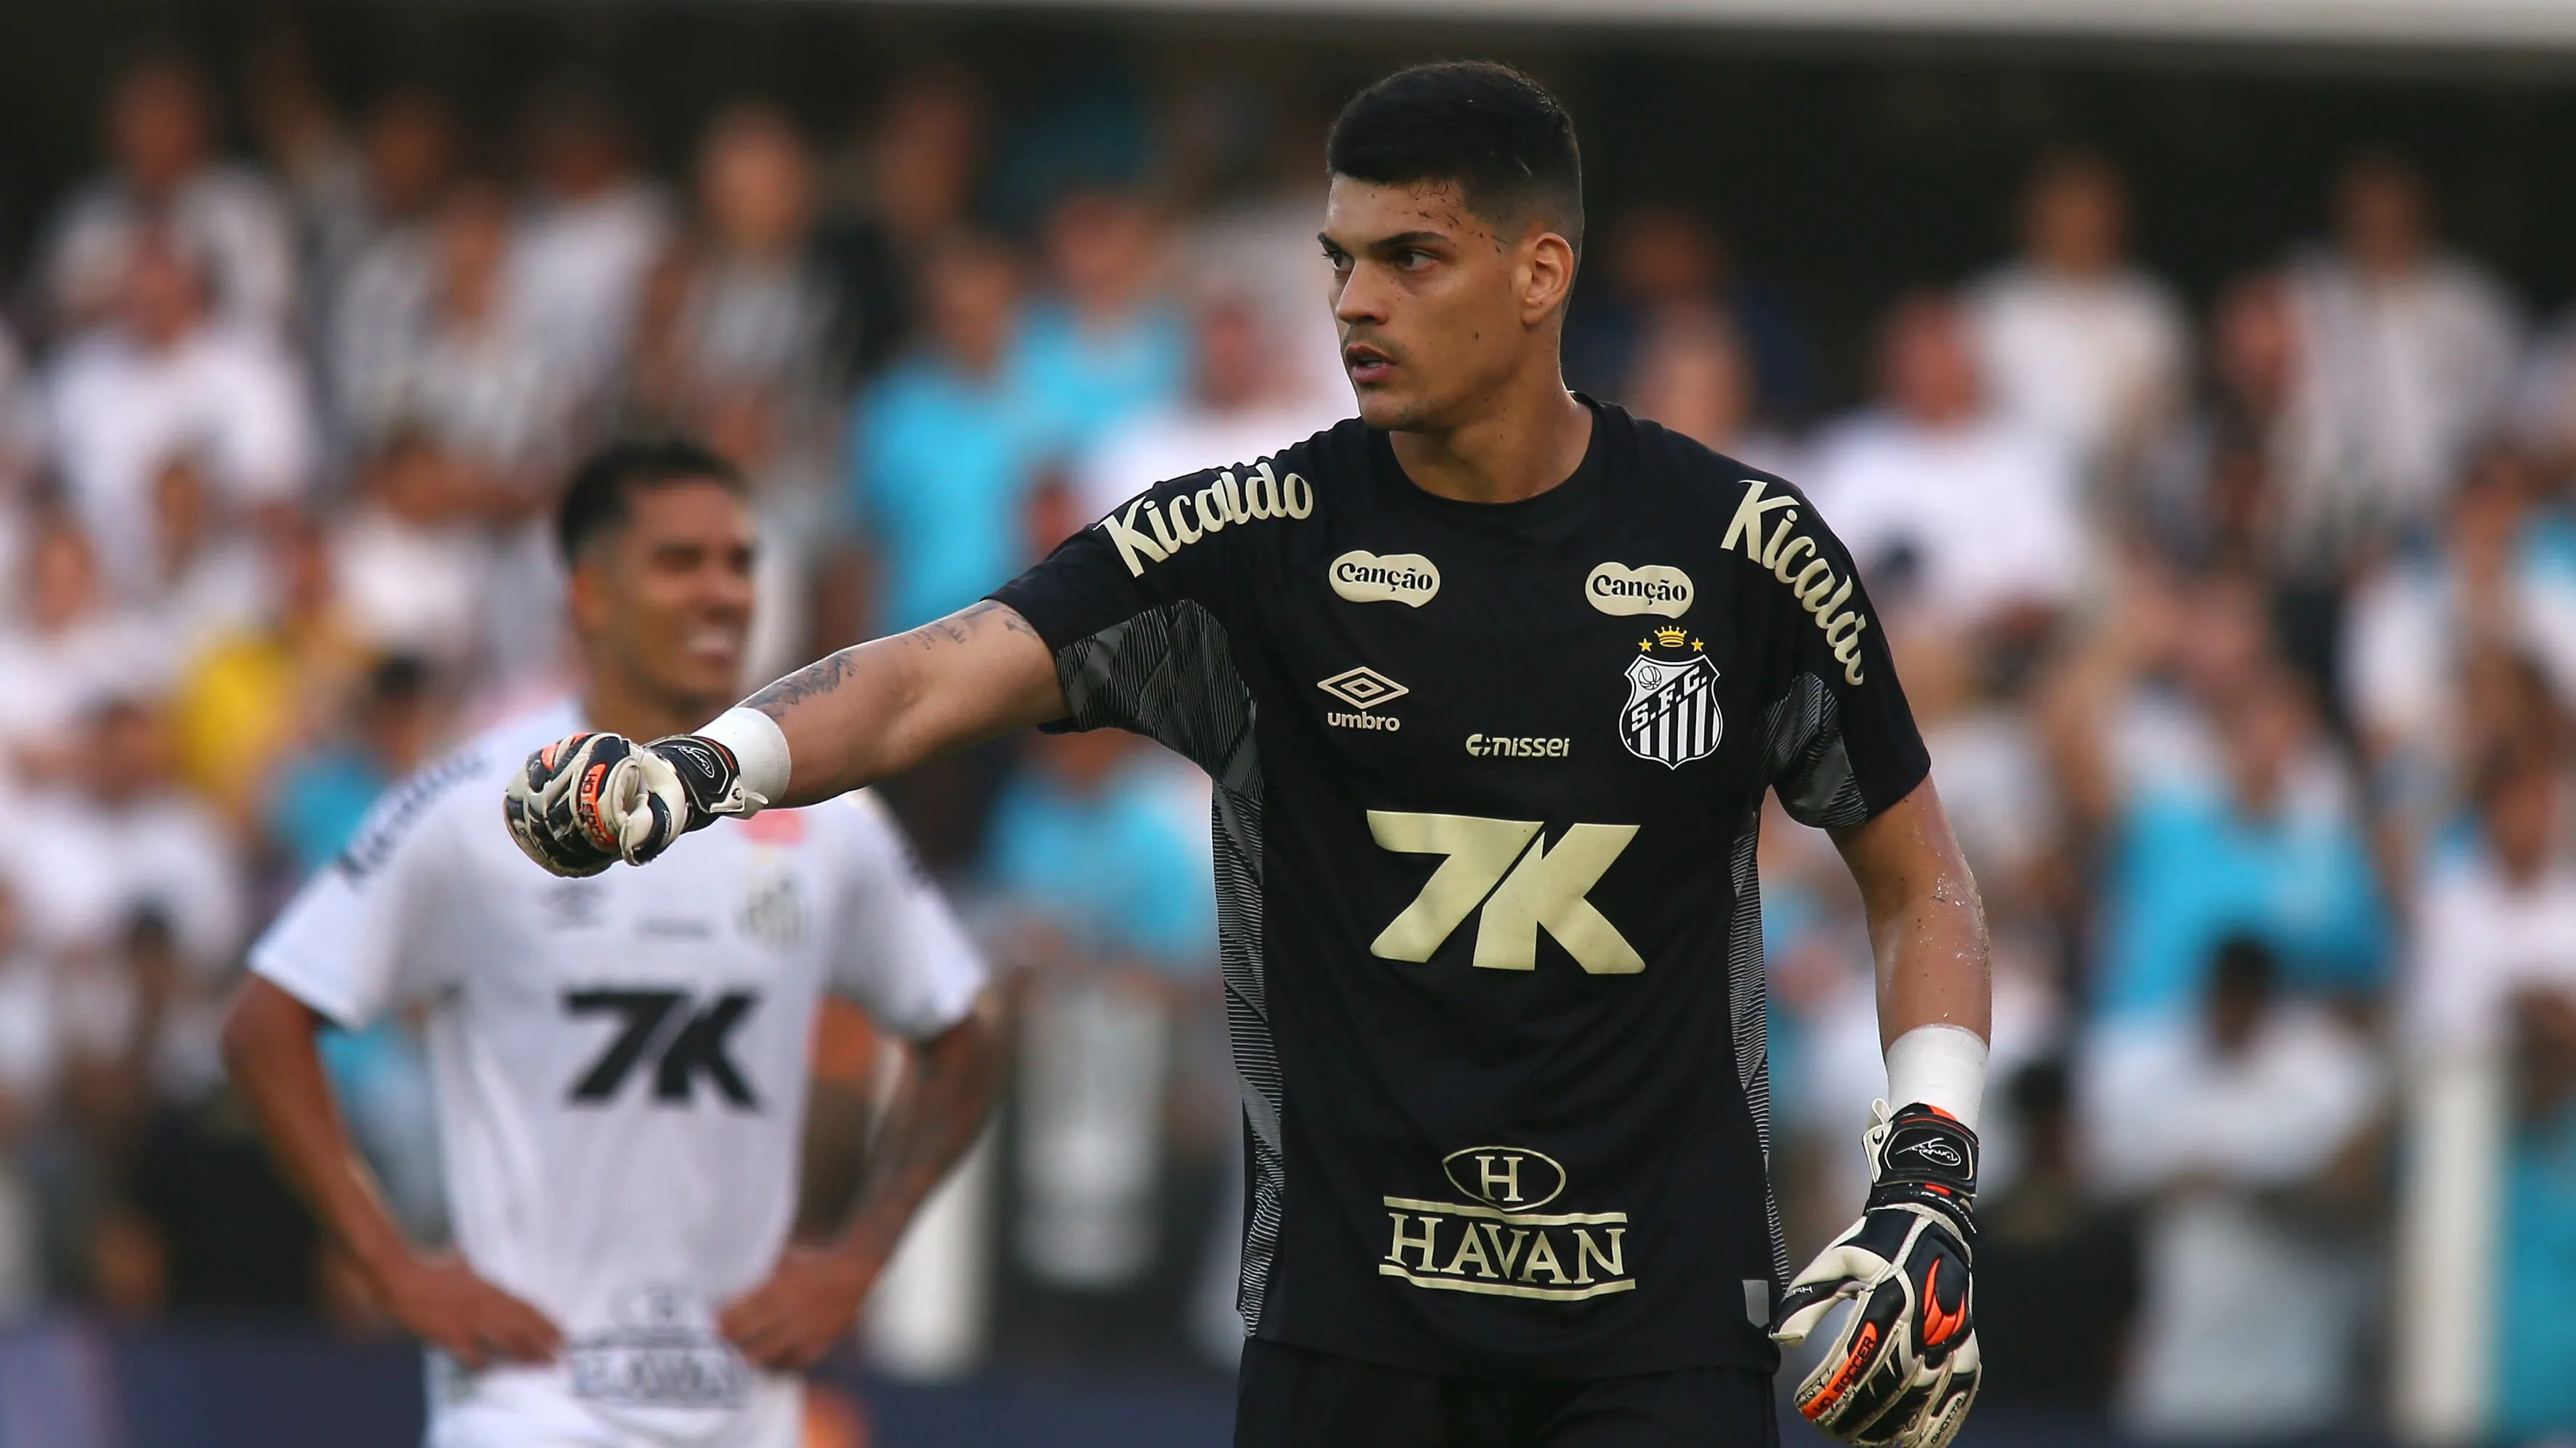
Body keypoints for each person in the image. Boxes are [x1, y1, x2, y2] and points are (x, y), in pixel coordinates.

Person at [507, 65, 1992, 1448]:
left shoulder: (1741, 552)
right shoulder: (1255, 543)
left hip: (1660, 1338)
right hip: (1348, 1335)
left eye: (1412, 258)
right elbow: (931, 676)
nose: (1355, 302)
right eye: (1339, 260)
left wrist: (1929, 1184)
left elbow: (1917, 878)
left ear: (1540, 275)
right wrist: (703, 768)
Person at [221, 438, 1000, 1447]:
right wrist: (392, 1266)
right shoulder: (478, 804)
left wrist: (857, 1261)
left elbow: (963, 1032)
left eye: (739, 563)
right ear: (588, 593)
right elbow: (265, 1022)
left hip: (744, 1409)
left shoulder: (828, 818)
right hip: (530, 1402)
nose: (721, 593)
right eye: (679, 562)